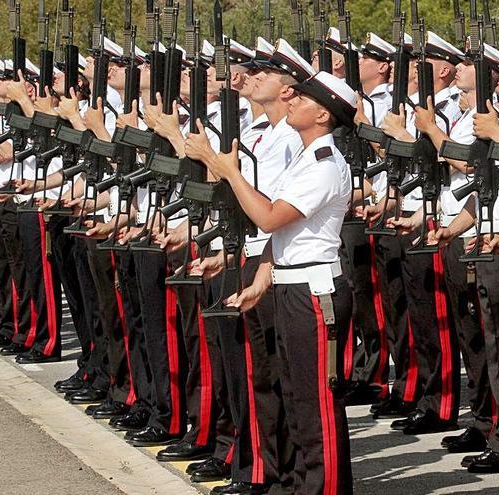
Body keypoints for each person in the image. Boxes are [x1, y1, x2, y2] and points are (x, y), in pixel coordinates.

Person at [186, 70, 357, 495]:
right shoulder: (303, 157)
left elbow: (268, 218)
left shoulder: (323, 164)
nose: (294, 100)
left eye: (304, 98)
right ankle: (302, 485)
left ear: (322, 114)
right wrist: (262, 281)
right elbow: (279, 236)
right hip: (290, 284)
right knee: (297, 400)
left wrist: (229, 172)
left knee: (317, 403)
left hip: (315, 292)